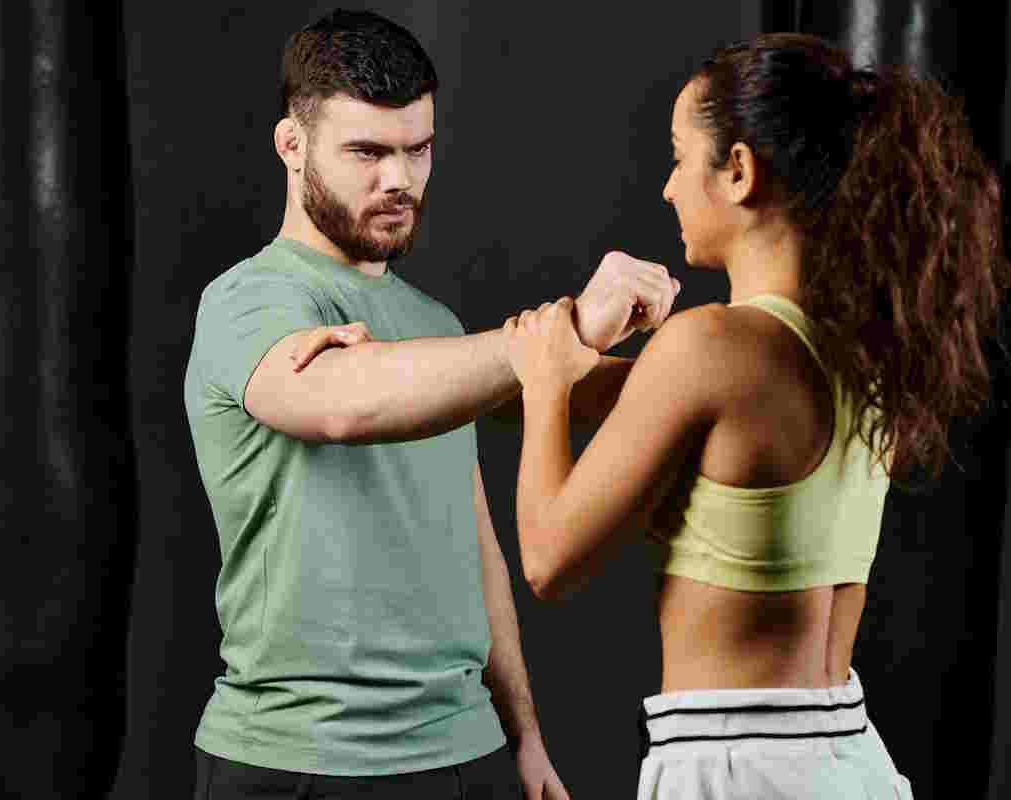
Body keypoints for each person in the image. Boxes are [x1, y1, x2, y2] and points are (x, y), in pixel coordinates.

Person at [496, 33, 1011, 799]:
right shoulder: (852, 347)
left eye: (681, 159)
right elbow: (608, 400)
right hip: (846, 757)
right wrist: (561, 361)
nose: (669, 188)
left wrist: (546, 379)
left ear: (739, 172)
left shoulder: (711, 347)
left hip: (739, 764)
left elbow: (548, 560)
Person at [183, 9, 679, 800]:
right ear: (292, 145)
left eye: (417, 149)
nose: (399, 180)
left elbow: (472, 546)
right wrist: (569, 328)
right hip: (297, 762)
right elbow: (341, 405)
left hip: (462, 752)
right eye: (367, 152)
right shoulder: (250, 301)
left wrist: (524, 735)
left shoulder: (433, 327)